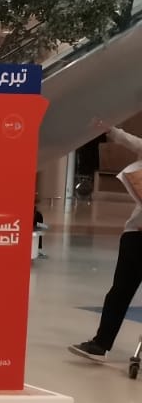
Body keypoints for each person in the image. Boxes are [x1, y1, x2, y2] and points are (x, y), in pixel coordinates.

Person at [70, 122, 142, 362]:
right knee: (119, 292)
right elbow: (133, 142)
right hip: (135, 235)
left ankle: (102, 344)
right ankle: (101, 344)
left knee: (119, 293)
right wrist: (110, 130)